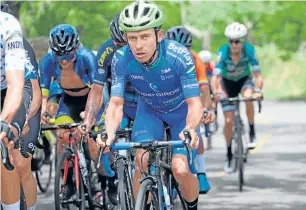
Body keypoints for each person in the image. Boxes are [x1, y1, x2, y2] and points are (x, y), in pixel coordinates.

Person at [97, 1, 211, 209]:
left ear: (159, 36)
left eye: (145, 36)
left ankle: (191, 205)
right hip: (150, 112)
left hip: (180, 115)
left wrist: (190, 129)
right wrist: (109, 132)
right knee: (141, 161)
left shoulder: (178, 56)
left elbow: (194, 103)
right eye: (132, 38)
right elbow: (115, 103)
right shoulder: (121, 58)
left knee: (180, 169)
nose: (138, 45)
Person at [39, 24, 106, 198]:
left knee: (94, 144)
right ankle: (67, 183)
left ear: (76, 48)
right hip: (68, 101)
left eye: (68, 55)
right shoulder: (47, 61)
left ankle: (107, 182)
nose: (64, 61)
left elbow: (97, 91)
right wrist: (41, 114)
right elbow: (43, 94)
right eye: (59, 56)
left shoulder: (87, 57)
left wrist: (90, 116)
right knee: (62, 136)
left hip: (91, 98)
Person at [79, 11, 136, 204]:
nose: (121, 49)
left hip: (144, 99)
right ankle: (112, 180)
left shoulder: (143, 49)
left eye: (125, 44)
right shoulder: (106, 51)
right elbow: (96, 90)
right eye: (118, 44)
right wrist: (89, 118)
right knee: (103, 138)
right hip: (116, 100)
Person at [165, 26, 213, 194]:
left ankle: (201, 173)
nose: (180, 52)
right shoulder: (161, 57)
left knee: (195, 133)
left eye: (184, 48)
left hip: (188, 101)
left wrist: (206, 110)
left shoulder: (195, 59)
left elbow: (205, 89)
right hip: (166, 102)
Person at [210, 22, 264, 173]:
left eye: (237, 41)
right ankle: (228, 154)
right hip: (227, 84)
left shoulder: (249, 51)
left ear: (242, 41)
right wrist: (215, 93)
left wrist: (258, 90)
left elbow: (258, 75)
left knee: (248, 97)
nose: (234, 44)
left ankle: (252, 131)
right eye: (231, 41)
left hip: (243, 81)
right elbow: (215, 78)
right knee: (228, 120)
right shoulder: (223, 52)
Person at [1, 3, 39, 210]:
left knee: (19, 162)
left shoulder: (13, 36)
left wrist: (17, 121)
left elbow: (26, 88)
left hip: (19, 92)